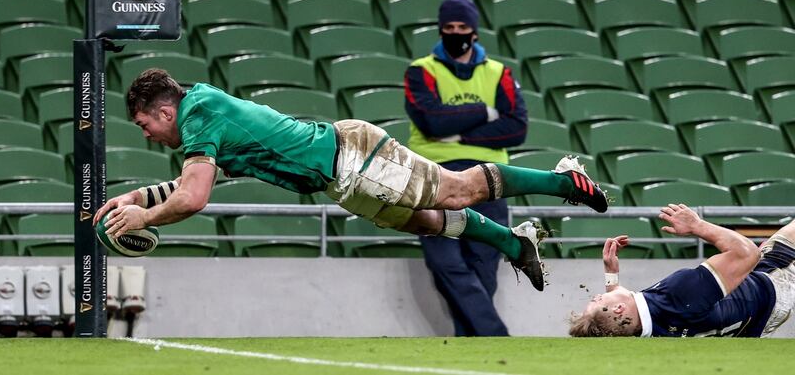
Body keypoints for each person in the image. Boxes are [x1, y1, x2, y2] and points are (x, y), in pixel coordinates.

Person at [93, 69, 609, 291]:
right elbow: (189, 184)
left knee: (455, 190)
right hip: (341, 177)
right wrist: (137, 197)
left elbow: (193, 198)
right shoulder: (203, 125)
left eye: (145, 126)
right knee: (425, 221)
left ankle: (564, 180)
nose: (147, 135)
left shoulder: (199, 115)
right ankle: (513, 242)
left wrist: (144, 216)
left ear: (164, 110)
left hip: (352, 157)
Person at [404, 0, 525, 335]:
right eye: (449, 27)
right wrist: (486, 113)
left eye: (463, 27)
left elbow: (516, 128)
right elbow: (430, 122)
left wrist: (457, 137)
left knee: (484, 262)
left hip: (490, 179)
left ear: (475, 31)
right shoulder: (420, 72)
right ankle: (493, 336)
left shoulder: (500, 73)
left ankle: (472, 343)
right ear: (440, 29)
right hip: (434, 177)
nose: (456, 33)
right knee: (444, 261)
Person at [569, 204, 795, 337]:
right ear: (618, 308)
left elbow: (621, 318)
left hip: (755, 323)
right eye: (597, 299)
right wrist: (698, 226)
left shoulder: (643, 332)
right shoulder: (680, 294)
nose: (598, 295)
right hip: (773, 282)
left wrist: (612, 279)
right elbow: (748, 254)